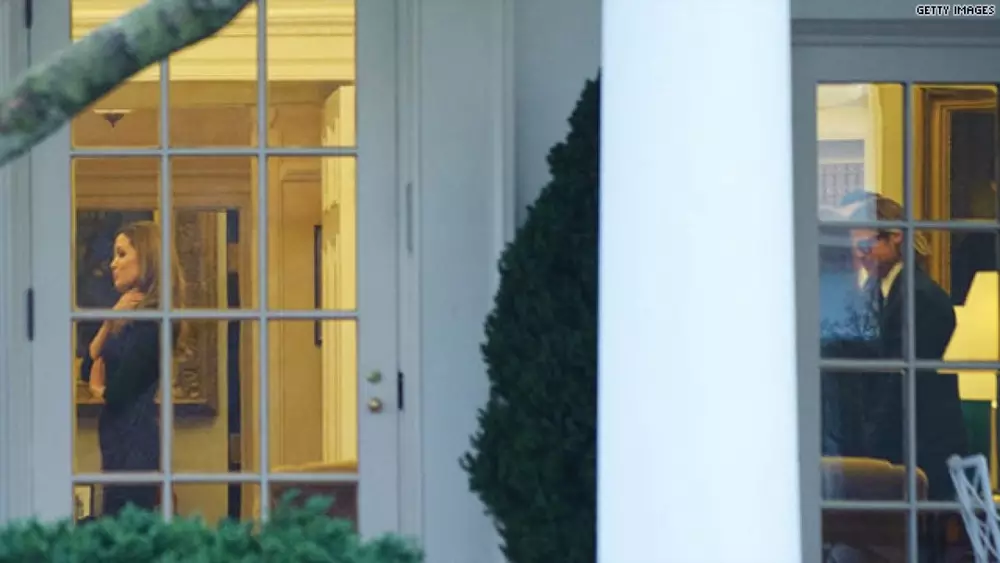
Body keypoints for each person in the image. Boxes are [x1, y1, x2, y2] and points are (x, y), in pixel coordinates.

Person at [832, 194, 968, 501]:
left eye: (865, 244)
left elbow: (898, 382)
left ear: (896, 237)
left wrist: (867, 450)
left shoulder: (920, 297)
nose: (860, 254)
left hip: (920, 447)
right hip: (898, 444)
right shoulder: (876, 292)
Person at [80, 221, 186, 516]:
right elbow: (88, 364)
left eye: (122, 254)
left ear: (147, 258)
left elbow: (118, 392)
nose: (113, 264)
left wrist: (98, 389)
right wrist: (110, 320)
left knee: (127, 522)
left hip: (135, 439)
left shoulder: (153, 321)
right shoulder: (129, 314)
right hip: (118, 437)